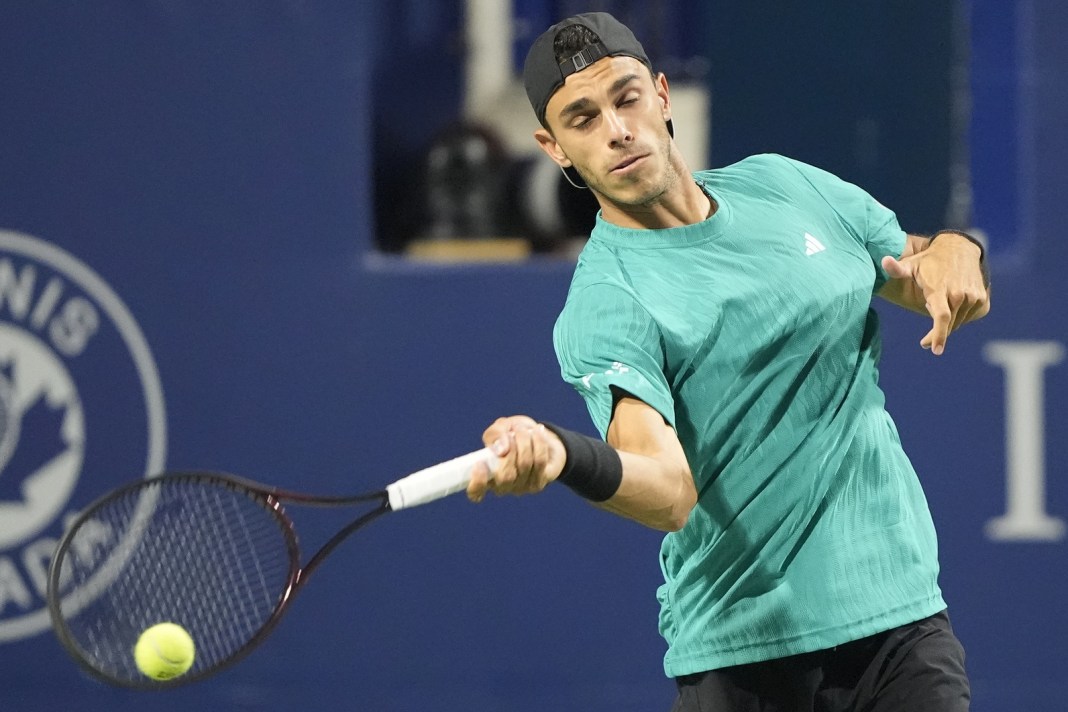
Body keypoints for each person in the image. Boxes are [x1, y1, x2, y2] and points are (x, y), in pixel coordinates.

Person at [467, 11, 988, 712]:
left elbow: (915, 264)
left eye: (625, 98)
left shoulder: (785, 186)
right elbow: (666, 489)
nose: (616, 130)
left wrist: (959, 249)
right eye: (582, 119)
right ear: (554, 148)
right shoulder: (607, 300)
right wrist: (564, 454)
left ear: (661, 95)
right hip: (747, 664)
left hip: (901, 627)